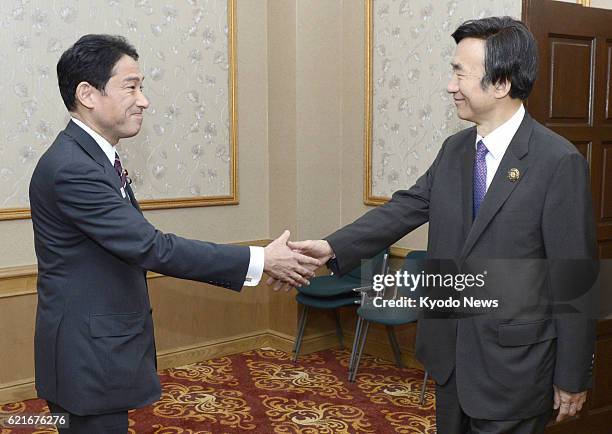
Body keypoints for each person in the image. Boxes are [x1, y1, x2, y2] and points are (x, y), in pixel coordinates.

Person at [271, 17, 597, 434]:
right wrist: (331, 247)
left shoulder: (558, 163)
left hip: (515, 370)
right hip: (449, 361)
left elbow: (574, 279)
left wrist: (572, 376)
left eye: (460, 72)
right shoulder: (455, 150)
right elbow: (406, 208)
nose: (450, 85)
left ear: (501, 83)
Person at [29, 34, 319, 434]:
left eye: (142, 87)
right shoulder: (73, 167)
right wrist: (261, 260)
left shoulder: (91, 157)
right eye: (131, 87)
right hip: (86, 356)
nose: (143, 100)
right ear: (88, 94)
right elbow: (151, 246)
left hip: (95, 350)